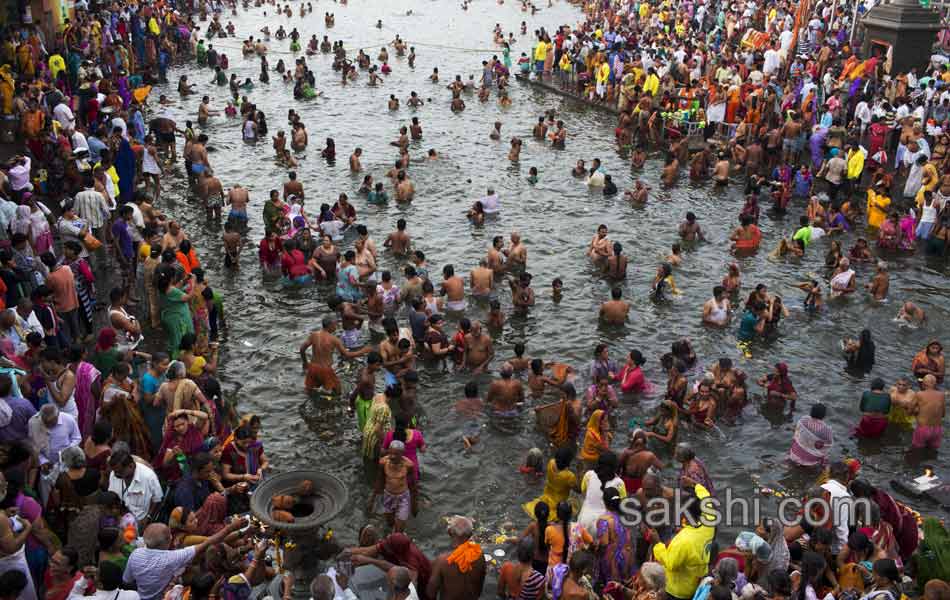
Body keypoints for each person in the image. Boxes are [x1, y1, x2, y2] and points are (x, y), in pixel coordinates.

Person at [426, 516, 485, 600]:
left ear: (450, 532)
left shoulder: (442, 561)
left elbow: (431, 594)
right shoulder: (479, 555)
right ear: (471, 534)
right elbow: (480, 587)